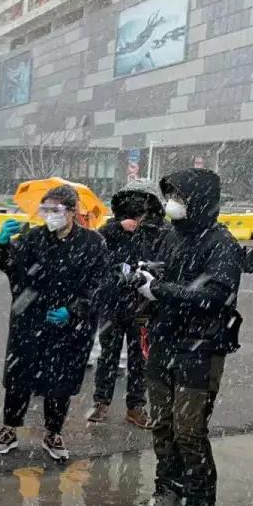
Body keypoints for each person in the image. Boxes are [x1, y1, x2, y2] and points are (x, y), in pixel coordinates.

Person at [132, 169, 242, 506]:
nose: (172, 204)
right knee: (162, 423)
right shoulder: (171, 236)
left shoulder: (221, 243)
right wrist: (146, 275)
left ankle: (198, 499)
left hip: (201, 347)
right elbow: (167, 275)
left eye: (179, 197)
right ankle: (168, 489)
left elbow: (215, 296)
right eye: (171, 196)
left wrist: (160, 289)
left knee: (189, 430)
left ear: (200, 200)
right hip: (163, 341)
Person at [0, 184, 107, 462]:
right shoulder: (32, 238)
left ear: (73, 211)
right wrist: (2, 244)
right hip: (30, 320)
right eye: (45, 209)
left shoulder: (93, 243)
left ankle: (54, 432)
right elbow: (10, 266)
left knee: (61, 380)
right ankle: (9, 428)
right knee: (20, 377)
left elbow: (99, 285)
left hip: (69, 327)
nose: (50, 215)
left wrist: (74, 310)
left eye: (56, 209)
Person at [87, 181, 170, 428]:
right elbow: (96, 248)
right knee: (108, 356)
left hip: (143, 306)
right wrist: (118, 227)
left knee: (140, 359)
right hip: (112, 303)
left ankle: (136, 406)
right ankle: (101, 402)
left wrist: (150, 273)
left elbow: (166, 261)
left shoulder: (160, 231)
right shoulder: (111, 229)